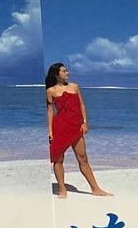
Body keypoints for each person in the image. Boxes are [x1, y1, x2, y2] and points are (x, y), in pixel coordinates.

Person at [46, 62, 111, 199]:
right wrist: (50, 131)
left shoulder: (75, 86)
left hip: (76, 127)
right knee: (58, 159)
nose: (67, 73)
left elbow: (82, 105)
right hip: (60, 128)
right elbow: (50, 112)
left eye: (67, 70)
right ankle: (62, 189)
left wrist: (84, 122)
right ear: (57, 74)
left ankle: (95, 189)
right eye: (64, 71)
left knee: (83, 158)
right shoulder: (50, 91)